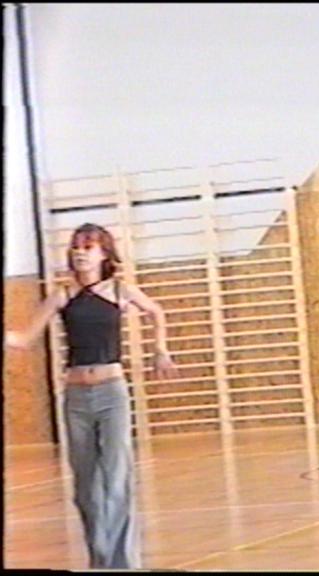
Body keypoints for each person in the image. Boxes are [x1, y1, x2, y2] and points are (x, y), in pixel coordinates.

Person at [5, 222, 179, 569]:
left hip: (112, 394)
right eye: (76, 246)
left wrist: (160, 349)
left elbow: (156, 311)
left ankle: (123, 564)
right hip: (76, 399)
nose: (80, 252)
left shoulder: (119, 290)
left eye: (88, 246)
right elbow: (24, 339)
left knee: (116, 478)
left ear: (103, 253)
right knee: (85, 487)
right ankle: (100, 559)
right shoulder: (63, 295)